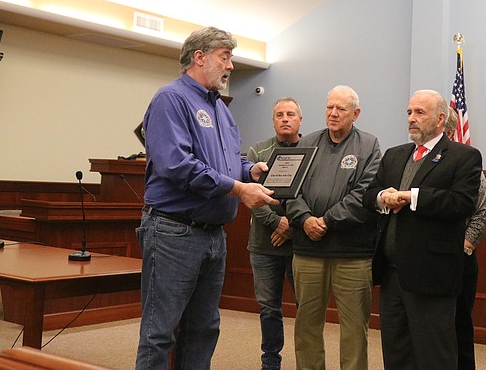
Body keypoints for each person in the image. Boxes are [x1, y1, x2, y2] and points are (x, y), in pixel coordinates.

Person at [135, 26, 277, 370]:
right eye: (224, 58)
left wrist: (249, 171)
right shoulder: (171, 98)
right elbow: (177, 165)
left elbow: (229, 161)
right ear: (199, 57)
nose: (230, 67)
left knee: (204, 327)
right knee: (160, 331)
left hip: (214, 235)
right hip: (173, 231)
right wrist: (238, 189)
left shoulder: (221, 108)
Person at [364, 90, 482, 370]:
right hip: (393, 274)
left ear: (441, 118)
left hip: (432, 274)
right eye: (409, 112)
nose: (412, 119)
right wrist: (383, 198)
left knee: (434, 355)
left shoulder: (463, 156)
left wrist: (411, 197)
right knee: (397, 351)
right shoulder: (395, 155)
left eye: (420, 113)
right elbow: (369, 195)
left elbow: (461, 202)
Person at [285, 85, 381, 370]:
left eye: (341, 108)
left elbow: (365, 194)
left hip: (352, 254)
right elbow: (289, 191)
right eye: (329, 107)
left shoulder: (369, 145)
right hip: (307, 249)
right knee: (306, 324)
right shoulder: (306, 143)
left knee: (353, 327)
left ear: (356, 113)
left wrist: (327, 221)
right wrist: (305, 220)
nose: (333, 113)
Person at [246, 97, 303, 370]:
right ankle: (270, 362)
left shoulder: (312, 149)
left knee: (306, 306)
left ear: (300, 119)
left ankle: (307, 359)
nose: (285, 118)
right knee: (269, 308)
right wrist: (276, 223)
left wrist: (290, 225)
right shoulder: (258, 151)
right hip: (263, 244)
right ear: (273, 121)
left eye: (290, 114)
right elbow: (250, 197)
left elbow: (315, 195)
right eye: (279, 114)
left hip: (300, 244)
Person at [444, 108, 486, 370]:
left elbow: (482, 210)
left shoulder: (465, 162)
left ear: (449, 131)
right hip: (425, 258)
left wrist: (467, 245)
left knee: (459, 323)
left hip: (459, 258)